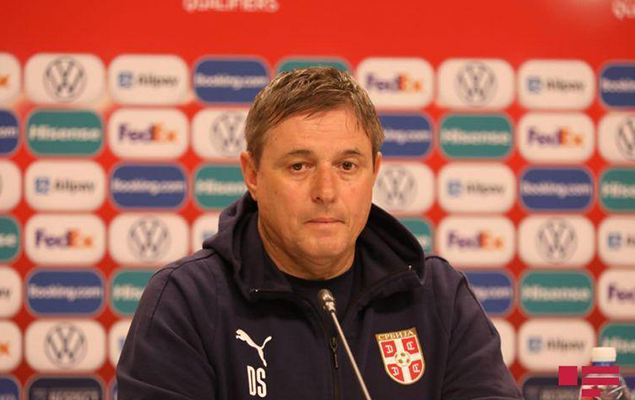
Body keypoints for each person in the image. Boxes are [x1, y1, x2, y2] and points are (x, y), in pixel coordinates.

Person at [117, 66, 522, 400]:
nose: (326, 192)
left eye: (347, 166)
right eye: (299, 166)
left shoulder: (437, 295)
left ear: (374, 172)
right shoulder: (186, 301)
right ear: (252, 175)